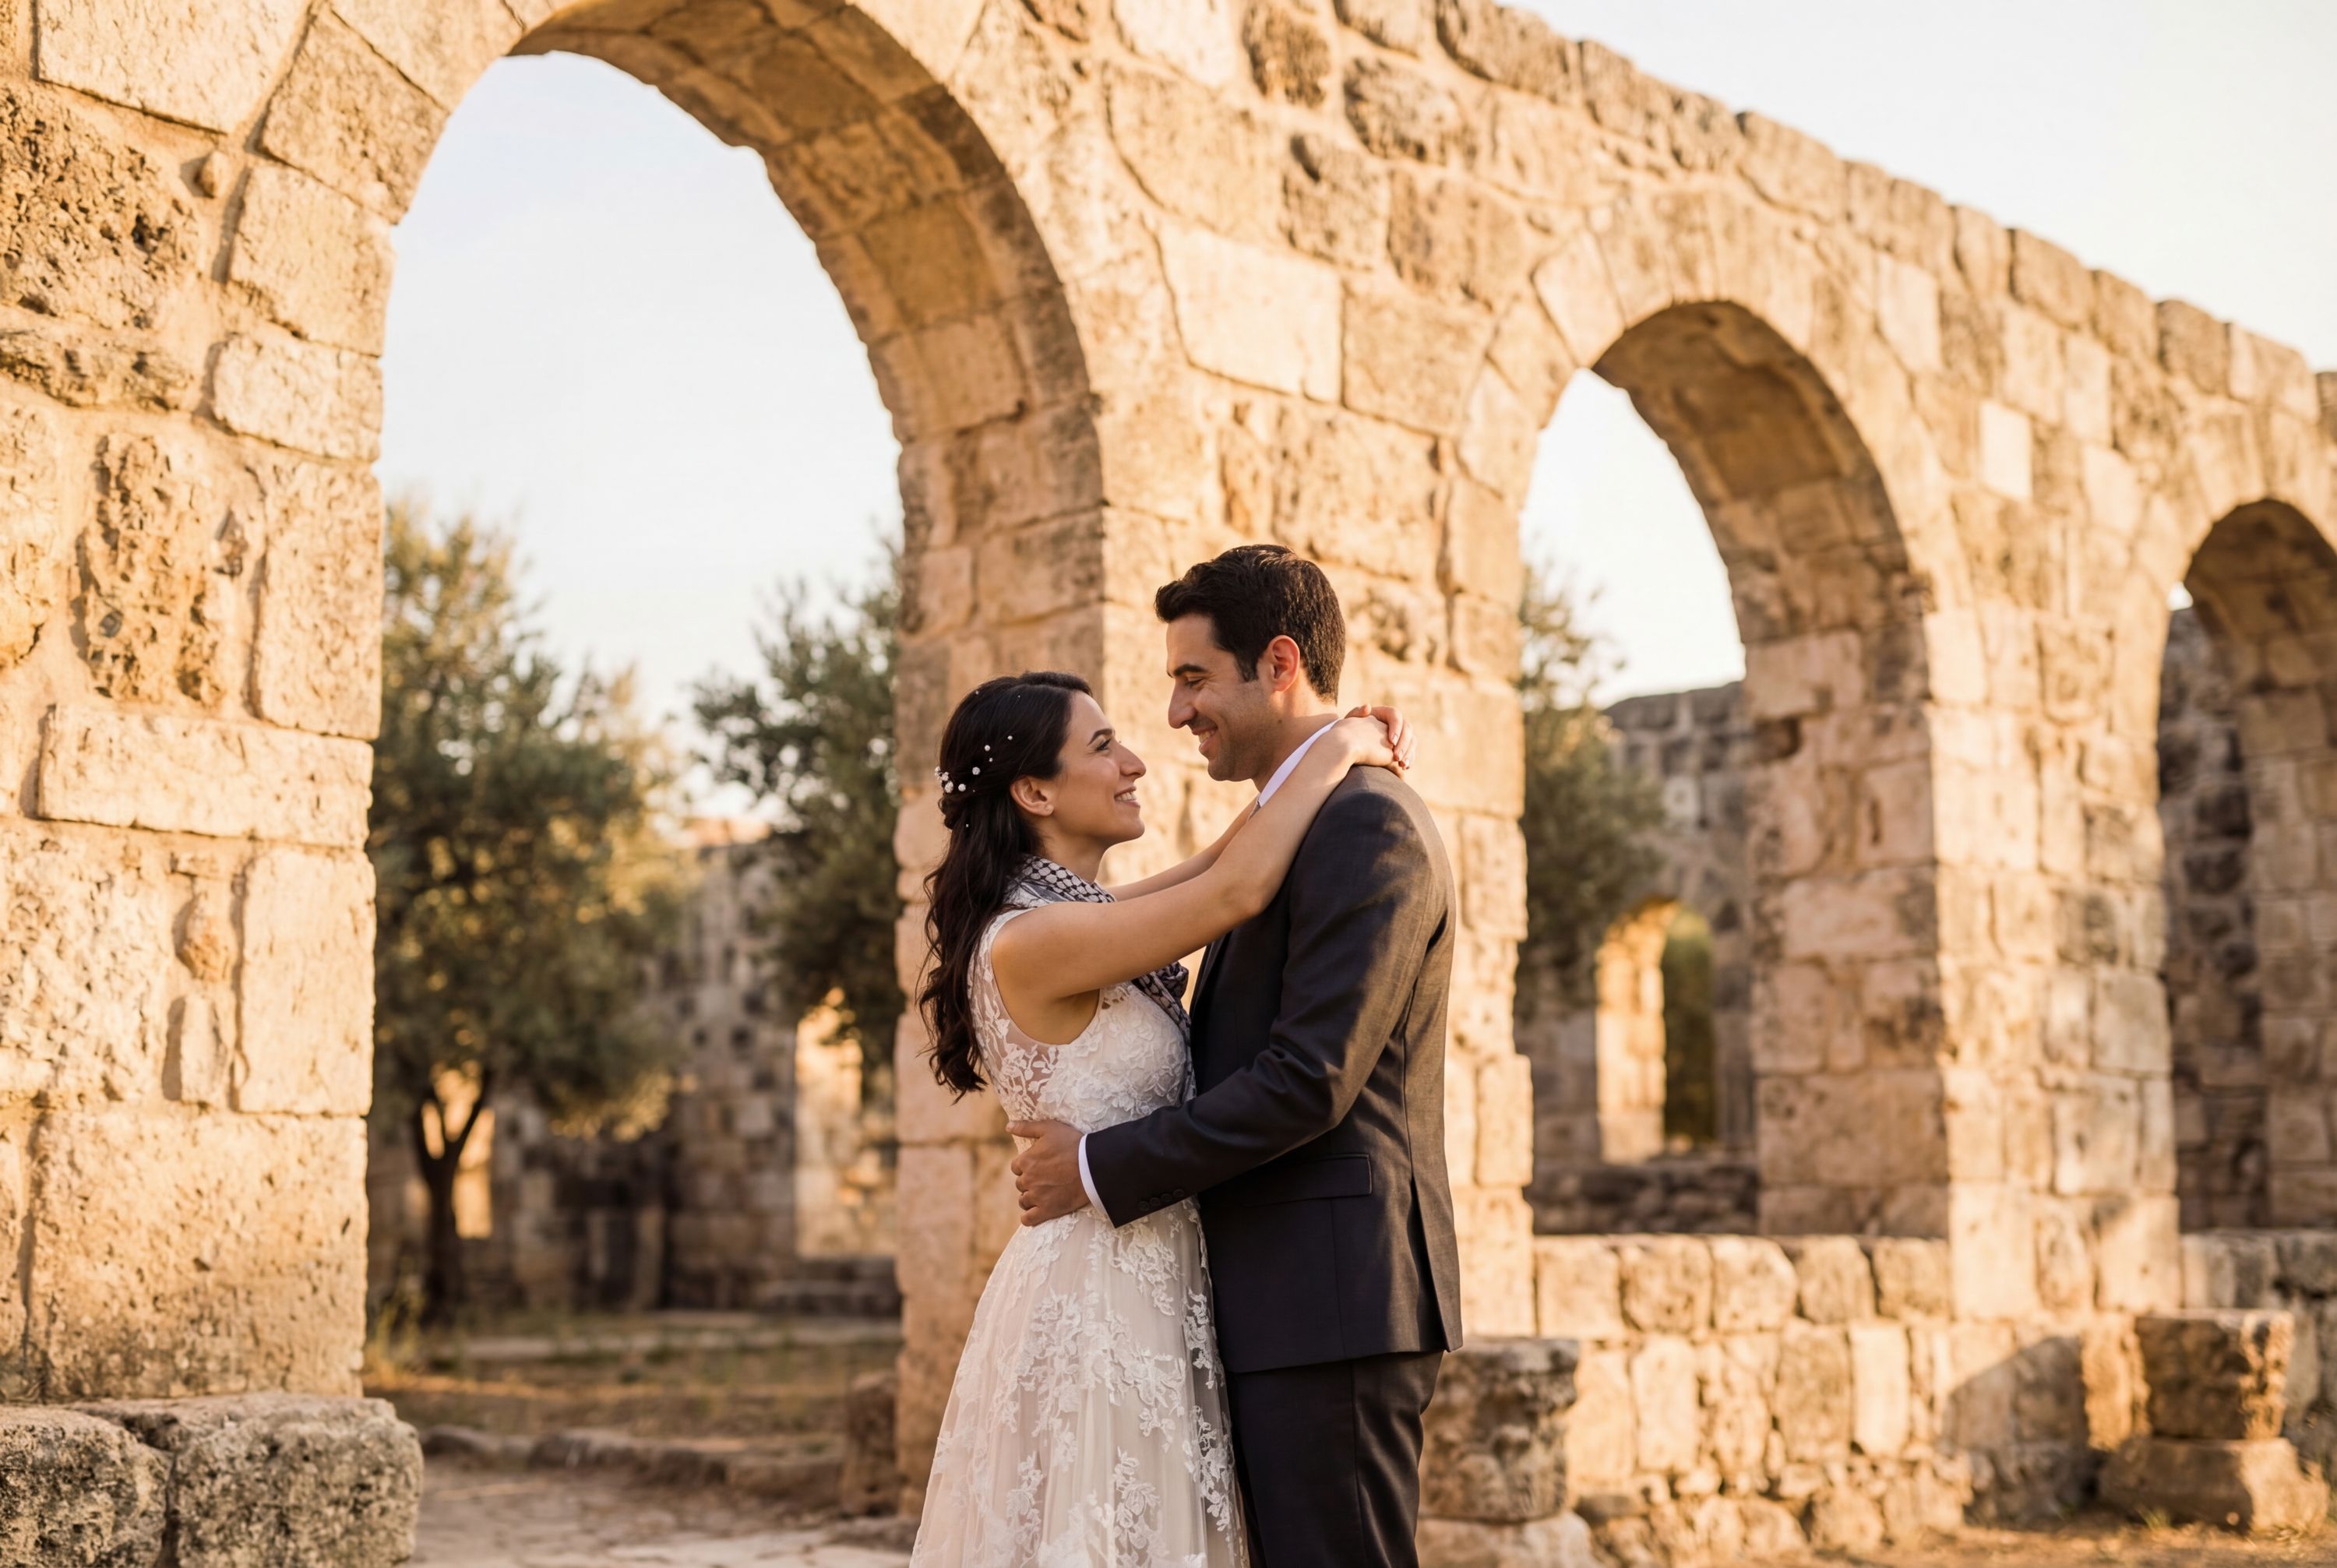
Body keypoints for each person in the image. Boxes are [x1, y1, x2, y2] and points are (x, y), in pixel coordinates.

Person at [908, 647, 1418, 1568]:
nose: (1135, 761)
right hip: (1098, 1289)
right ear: (1035, 793)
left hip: (1149, 1268)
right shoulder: (1038, 938)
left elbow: (1219, 858)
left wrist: (1323, 746)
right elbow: (1233, 890)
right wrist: (1341, 750)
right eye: (1103, 746)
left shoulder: (1070, 915)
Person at [1006, 544, 1465, 1567]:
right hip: (1279, 1303)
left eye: (1193, 678)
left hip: (1332, 1300)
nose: (1176, 715)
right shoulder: (1298, 826)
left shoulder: (1366, 826)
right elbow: (1217, 885)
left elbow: (1310, 1080)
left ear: (1281, 662)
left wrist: (1093, 1163)